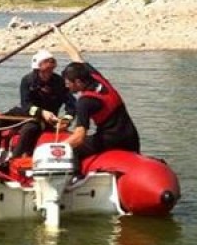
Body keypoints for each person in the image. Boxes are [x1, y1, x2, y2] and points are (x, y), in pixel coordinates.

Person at [53, 25, 140, 162]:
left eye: (68, 82)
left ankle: (74, 180)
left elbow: (79, 137)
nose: (66, 85)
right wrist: (57, 33)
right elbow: (75, 55)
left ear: (78, 82)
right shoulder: (97, 78)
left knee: (73, 150)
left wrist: (56, 148)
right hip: (132, 138)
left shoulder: (85, 102)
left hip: (111, 141)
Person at [0, 48, 75, 162]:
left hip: (44, 120)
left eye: (51, 68)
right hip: (26, 113)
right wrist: (41, 112)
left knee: (29, 129)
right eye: (46, 68)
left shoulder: (59, 82)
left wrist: (65, 121)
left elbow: (71, 105)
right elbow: (26, 104)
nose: (48, 72)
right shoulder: (27, 80)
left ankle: (14, 161)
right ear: (38, 67)